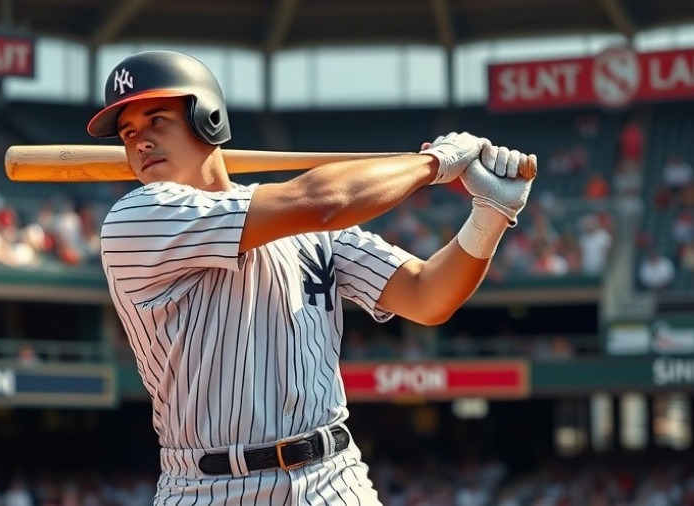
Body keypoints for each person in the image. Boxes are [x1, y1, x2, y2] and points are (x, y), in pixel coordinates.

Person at [92, 50, 536, 504]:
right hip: (208, 485)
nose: (140, 141)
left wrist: (491, 214)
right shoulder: (138, 219)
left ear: (208, 118)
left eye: (157, 120)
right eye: (128, 133)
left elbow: (427, 296)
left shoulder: (304, 228)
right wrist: (434, 163)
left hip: (333, 477)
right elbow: (325, 200)